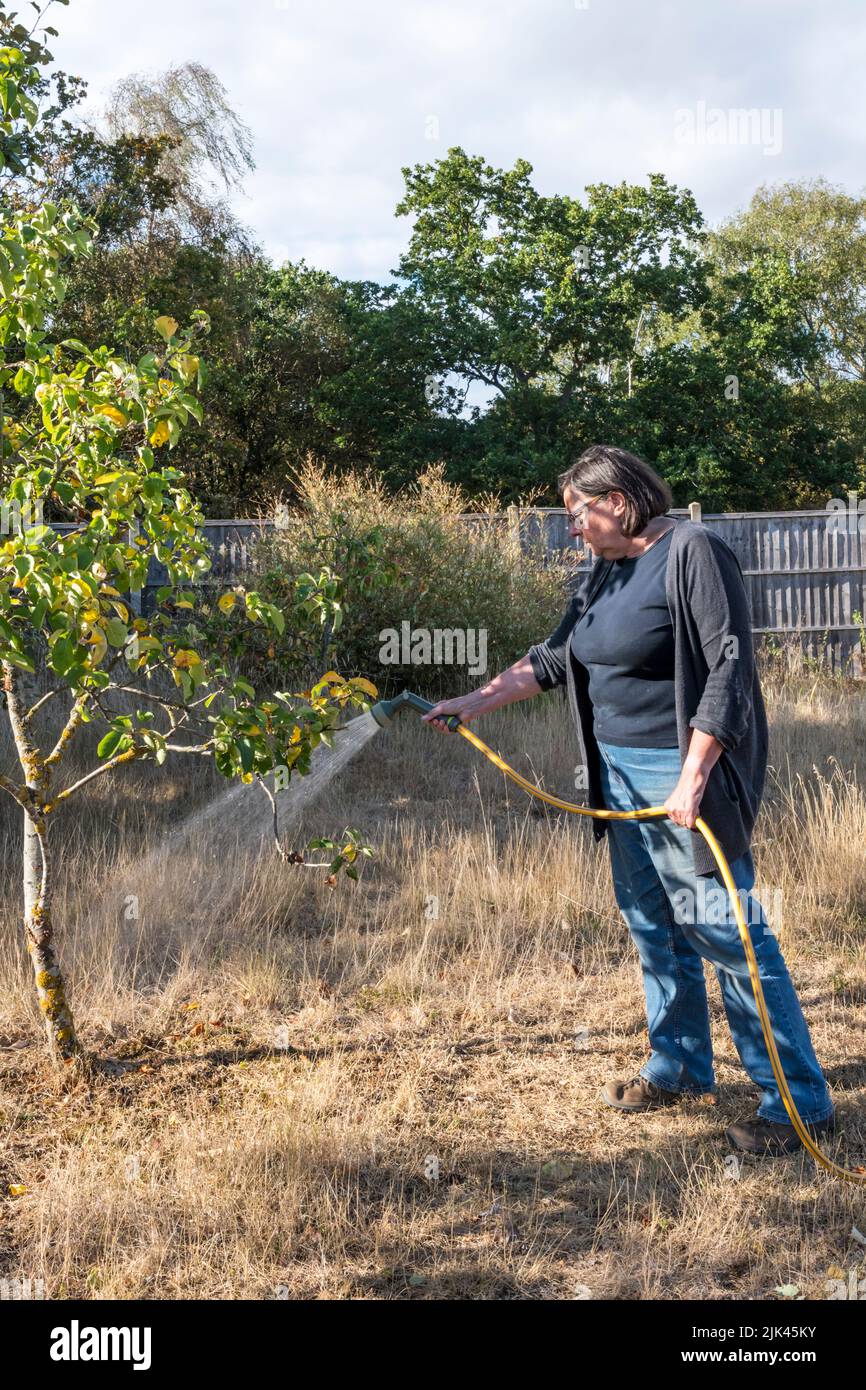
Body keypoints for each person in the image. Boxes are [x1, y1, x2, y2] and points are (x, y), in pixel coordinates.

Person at [424, 444, 835, 1158]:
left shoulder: (695, 553)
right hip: (615, 775)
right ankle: (679, 1068)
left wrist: (694, 777)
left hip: (680, 774)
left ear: (617, 500)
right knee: (652, 924)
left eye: (576, 513)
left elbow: (729, 670)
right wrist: (475, 699)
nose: (571, 528)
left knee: (728, 936)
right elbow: (554, 659)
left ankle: (797, 1106)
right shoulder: (600, 575)